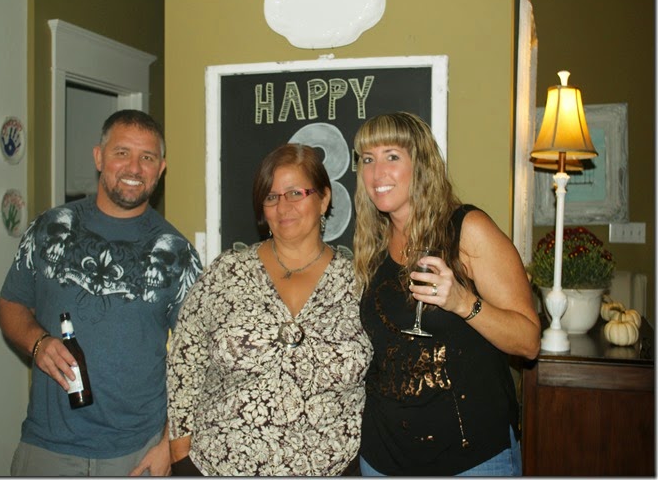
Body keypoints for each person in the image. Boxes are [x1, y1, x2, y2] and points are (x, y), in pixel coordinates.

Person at [0, 109, 203, 476]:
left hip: (137, 453)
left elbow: (201, 357)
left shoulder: (178, 254)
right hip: (46, 447)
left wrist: (168, 443)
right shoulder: (50, 228)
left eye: (147, 157)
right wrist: (37, 343)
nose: (134, 168)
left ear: (161, 168)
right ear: (99, 157)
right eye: (122, 153)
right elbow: (11, 304)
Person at [352, 111, 541, 476]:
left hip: (471, 459)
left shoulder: (467, 229)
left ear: (421, 164)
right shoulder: (372, 244)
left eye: (392, 156)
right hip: (383, 458)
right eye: (368, 159)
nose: (377, 173)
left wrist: (462, 302)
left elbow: (528, 342)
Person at [167, 143, 373, 476]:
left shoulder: (359, 283)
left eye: (295, 193)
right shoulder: (226, 273)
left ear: (324, 199)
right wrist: (180, 455)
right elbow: (185, 361)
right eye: (271, 196)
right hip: (219, 465)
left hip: (332, 467)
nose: (283, 207)